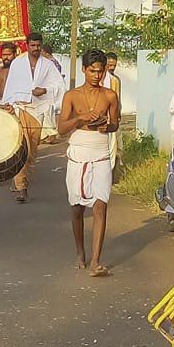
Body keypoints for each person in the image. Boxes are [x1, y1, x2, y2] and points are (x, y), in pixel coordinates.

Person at [58, 49, 122, 275]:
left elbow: (115, 123)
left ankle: (96, 260)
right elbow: (61, 128)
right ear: (84, 69)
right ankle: (80, 252)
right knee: (76, 207)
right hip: (78, 152)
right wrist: (80, 119)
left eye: (100, 71)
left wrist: (106, 124)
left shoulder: (110, 96)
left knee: (100, 204)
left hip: (101, 152)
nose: (96, 75)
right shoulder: (72, 96)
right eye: (92, 71)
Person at [2, 31, 66, 203]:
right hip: (19, 109)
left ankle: (22, 180)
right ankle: (21, 187)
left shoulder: (48, 65)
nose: (36, 48)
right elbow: (11, 86)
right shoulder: (18, 63)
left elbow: (59, 86)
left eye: (38, 46)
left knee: (32, 151)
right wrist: (7, 103)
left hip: (38, 110)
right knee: (22, 148)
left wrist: (44, 90)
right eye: (33, 46)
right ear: (27, 45)